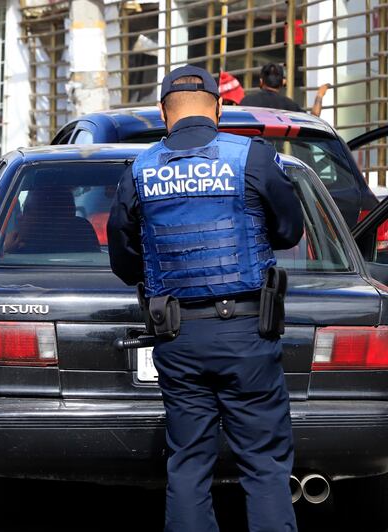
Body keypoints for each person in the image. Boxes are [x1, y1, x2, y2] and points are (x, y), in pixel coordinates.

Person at [107, 65, 304, 531]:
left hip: (178, 334)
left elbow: (124, 260)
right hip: (247, 333)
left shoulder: (140, 169)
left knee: (189, 464)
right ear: (219, 106)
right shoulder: (252, 157)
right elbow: (289, 230)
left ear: (162, 112)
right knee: (264, 464)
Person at [240, 62, 330, 117]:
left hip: (253, 147)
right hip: (277, 149)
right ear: (283, 82)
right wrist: (319, 95)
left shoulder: (247, 101)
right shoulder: (290, 106)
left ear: (261, 81)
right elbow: (313, 120)